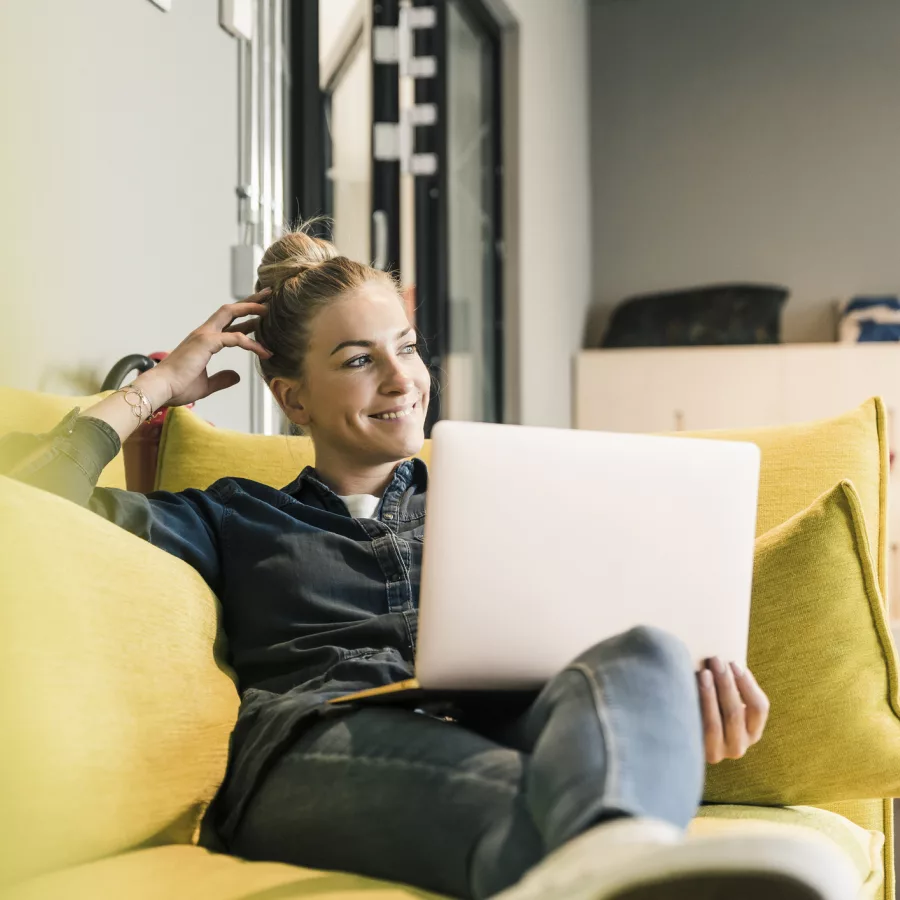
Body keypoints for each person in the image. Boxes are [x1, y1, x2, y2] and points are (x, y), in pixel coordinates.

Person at [1, 225, 855, 900]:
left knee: (650, 652)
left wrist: (672, 711)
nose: (400, 379)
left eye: (405, 347)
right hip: (315, 746)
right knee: (551, 808)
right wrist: (157, 384)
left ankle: (609, 848)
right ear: (292, 396)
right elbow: (31, 501)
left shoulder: (502, 497)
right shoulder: (231, 515)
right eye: (357, 360)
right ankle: (617, 845)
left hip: (499, 729)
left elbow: (580, 666)